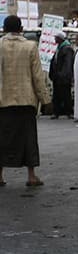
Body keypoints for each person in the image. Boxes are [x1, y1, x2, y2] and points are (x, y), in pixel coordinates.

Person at [0, 15, 52, 188]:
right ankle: (31, 176)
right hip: (26, 100)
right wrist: (45, 99)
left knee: (2, 138)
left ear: (4, 29)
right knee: (28, 138)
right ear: (21, 29)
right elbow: (38, 77)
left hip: (3, 101)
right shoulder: (31, 46)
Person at [48, 30, 75, 119]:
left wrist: (62, 75)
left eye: (56, 37)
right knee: (56, 95)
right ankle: (56, 112)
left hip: (63, 77)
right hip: (57, 76)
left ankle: (69, 112)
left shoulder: (67, 48)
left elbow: (67, 64)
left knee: (66, 95)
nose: (55, 39)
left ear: (60, 39)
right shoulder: (60, 48)